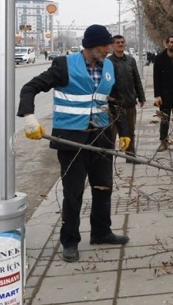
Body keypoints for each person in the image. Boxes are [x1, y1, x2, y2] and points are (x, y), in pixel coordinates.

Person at [17, 24, 131, 263]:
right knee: (73, 193)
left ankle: (101, 232)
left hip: (101, 136)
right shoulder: (64, 65)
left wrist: (124, 132)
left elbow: (115, 102)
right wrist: (28, 116)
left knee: (103, 187)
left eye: (110, 44)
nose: (109, 49)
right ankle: (70, 241)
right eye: (104, 45)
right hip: (71, 139)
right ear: (89, 46)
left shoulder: (108, 66)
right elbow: (30, 88)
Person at [109, 35, 146, 163]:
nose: (120, 44)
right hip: (113, 105)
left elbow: (137, 80)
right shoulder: (108, 62)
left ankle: (130, 156)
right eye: (118, 42)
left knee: (130, 132)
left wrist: (141, 96)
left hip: (130, 102)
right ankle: (107, 158)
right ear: (113, 45)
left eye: (122, 42)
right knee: (111, 134)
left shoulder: (130, 60)